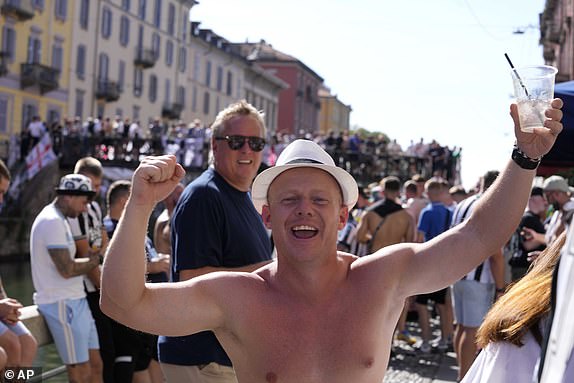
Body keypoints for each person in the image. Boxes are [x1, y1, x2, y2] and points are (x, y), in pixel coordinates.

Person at [101, 99, 564, 383]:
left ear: (342, 215)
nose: (305, 209)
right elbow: (123, 303)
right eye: (289, 201)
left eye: (320, 200)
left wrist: (525, 157)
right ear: (267, 215)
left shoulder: (383, 277)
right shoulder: (237, 296)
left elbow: (480, 234)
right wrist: (139, 205)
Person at [157, 100, 273, 382]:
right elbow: (193, 279)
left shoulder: (244, 197)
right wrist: (271, 273)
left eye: (256, 143)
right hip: (202, 357)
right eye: (236, 141)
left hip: (226, 356)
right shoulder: (204, 196)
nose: (247, 150)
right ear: (215, 145)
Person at [462, 232, 566, 383]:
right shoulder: (536, 325)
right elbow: (496, 255)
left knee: (465, 329)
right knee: (468, 330)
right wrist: (499, 288)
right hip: (479, 284)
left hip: (472, 283)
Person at [30, 174, 103, 383]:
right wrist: (98, 258)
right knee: (79, 370)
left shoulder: (61, 220)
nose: (85, 208)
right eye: (83, 201)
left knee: (96, 364)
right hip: (62, 303)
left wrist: (94, 253)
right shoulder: (52, 221)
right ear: (69, 196)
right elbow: (67, 269)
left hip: (75, 299)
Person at [450, 169, 507, 380]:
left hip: (458, 274)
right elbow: (496, 255)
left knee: (462, 327)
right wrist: (501, 288)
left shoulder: (463, 203)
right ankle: (465, 377)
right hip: (478, 278)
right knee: (471, 331)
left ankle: (460, 372)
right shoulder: (491, 206)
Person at [103, 180, 161, 383]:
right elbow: (107, 266)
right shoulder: (104, 228)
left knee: (147, 361)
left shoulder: (136, 228)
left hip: (148, 309)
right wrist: (154, 267)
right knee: (128, 361)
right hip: (124, 311)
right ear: (123, 201)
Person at [67, 157, 113, 383]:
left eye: (96, 187)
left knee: (100, 362)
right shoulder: (69, 213)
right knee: (83, 367)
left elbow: (99, 241)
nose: (93, 192)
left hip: (91, 290)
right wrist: (103, 286)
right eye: (90, 186)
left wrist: (99, 253)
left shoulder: (92, 207)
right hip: (78, 296)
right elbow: (86, 252)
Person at [415, 178, 454, 352]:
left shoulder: (427, 212)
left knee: (422, 304)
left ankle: (426, 340)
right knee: (442, 304)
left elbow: (419, 239)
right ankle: (445, 338)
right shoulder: (448, 212)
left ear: (429, 193)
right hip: (444, 263)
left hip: (427, 263)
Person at [508, 186, 548, 281]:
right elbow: (528, 245)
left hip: (524, 266)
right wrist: (551, 238)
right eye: (543, 198)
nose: (545, 202)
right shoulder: (528, 218)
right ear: (533, 199)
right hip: (524, 267)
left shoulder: (532, 217)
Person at [542, 175, 574, 245]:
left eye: (547, 196)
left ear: (556, 193)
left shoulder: (571, 213)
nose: (547, 201)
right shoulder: (558, 212)